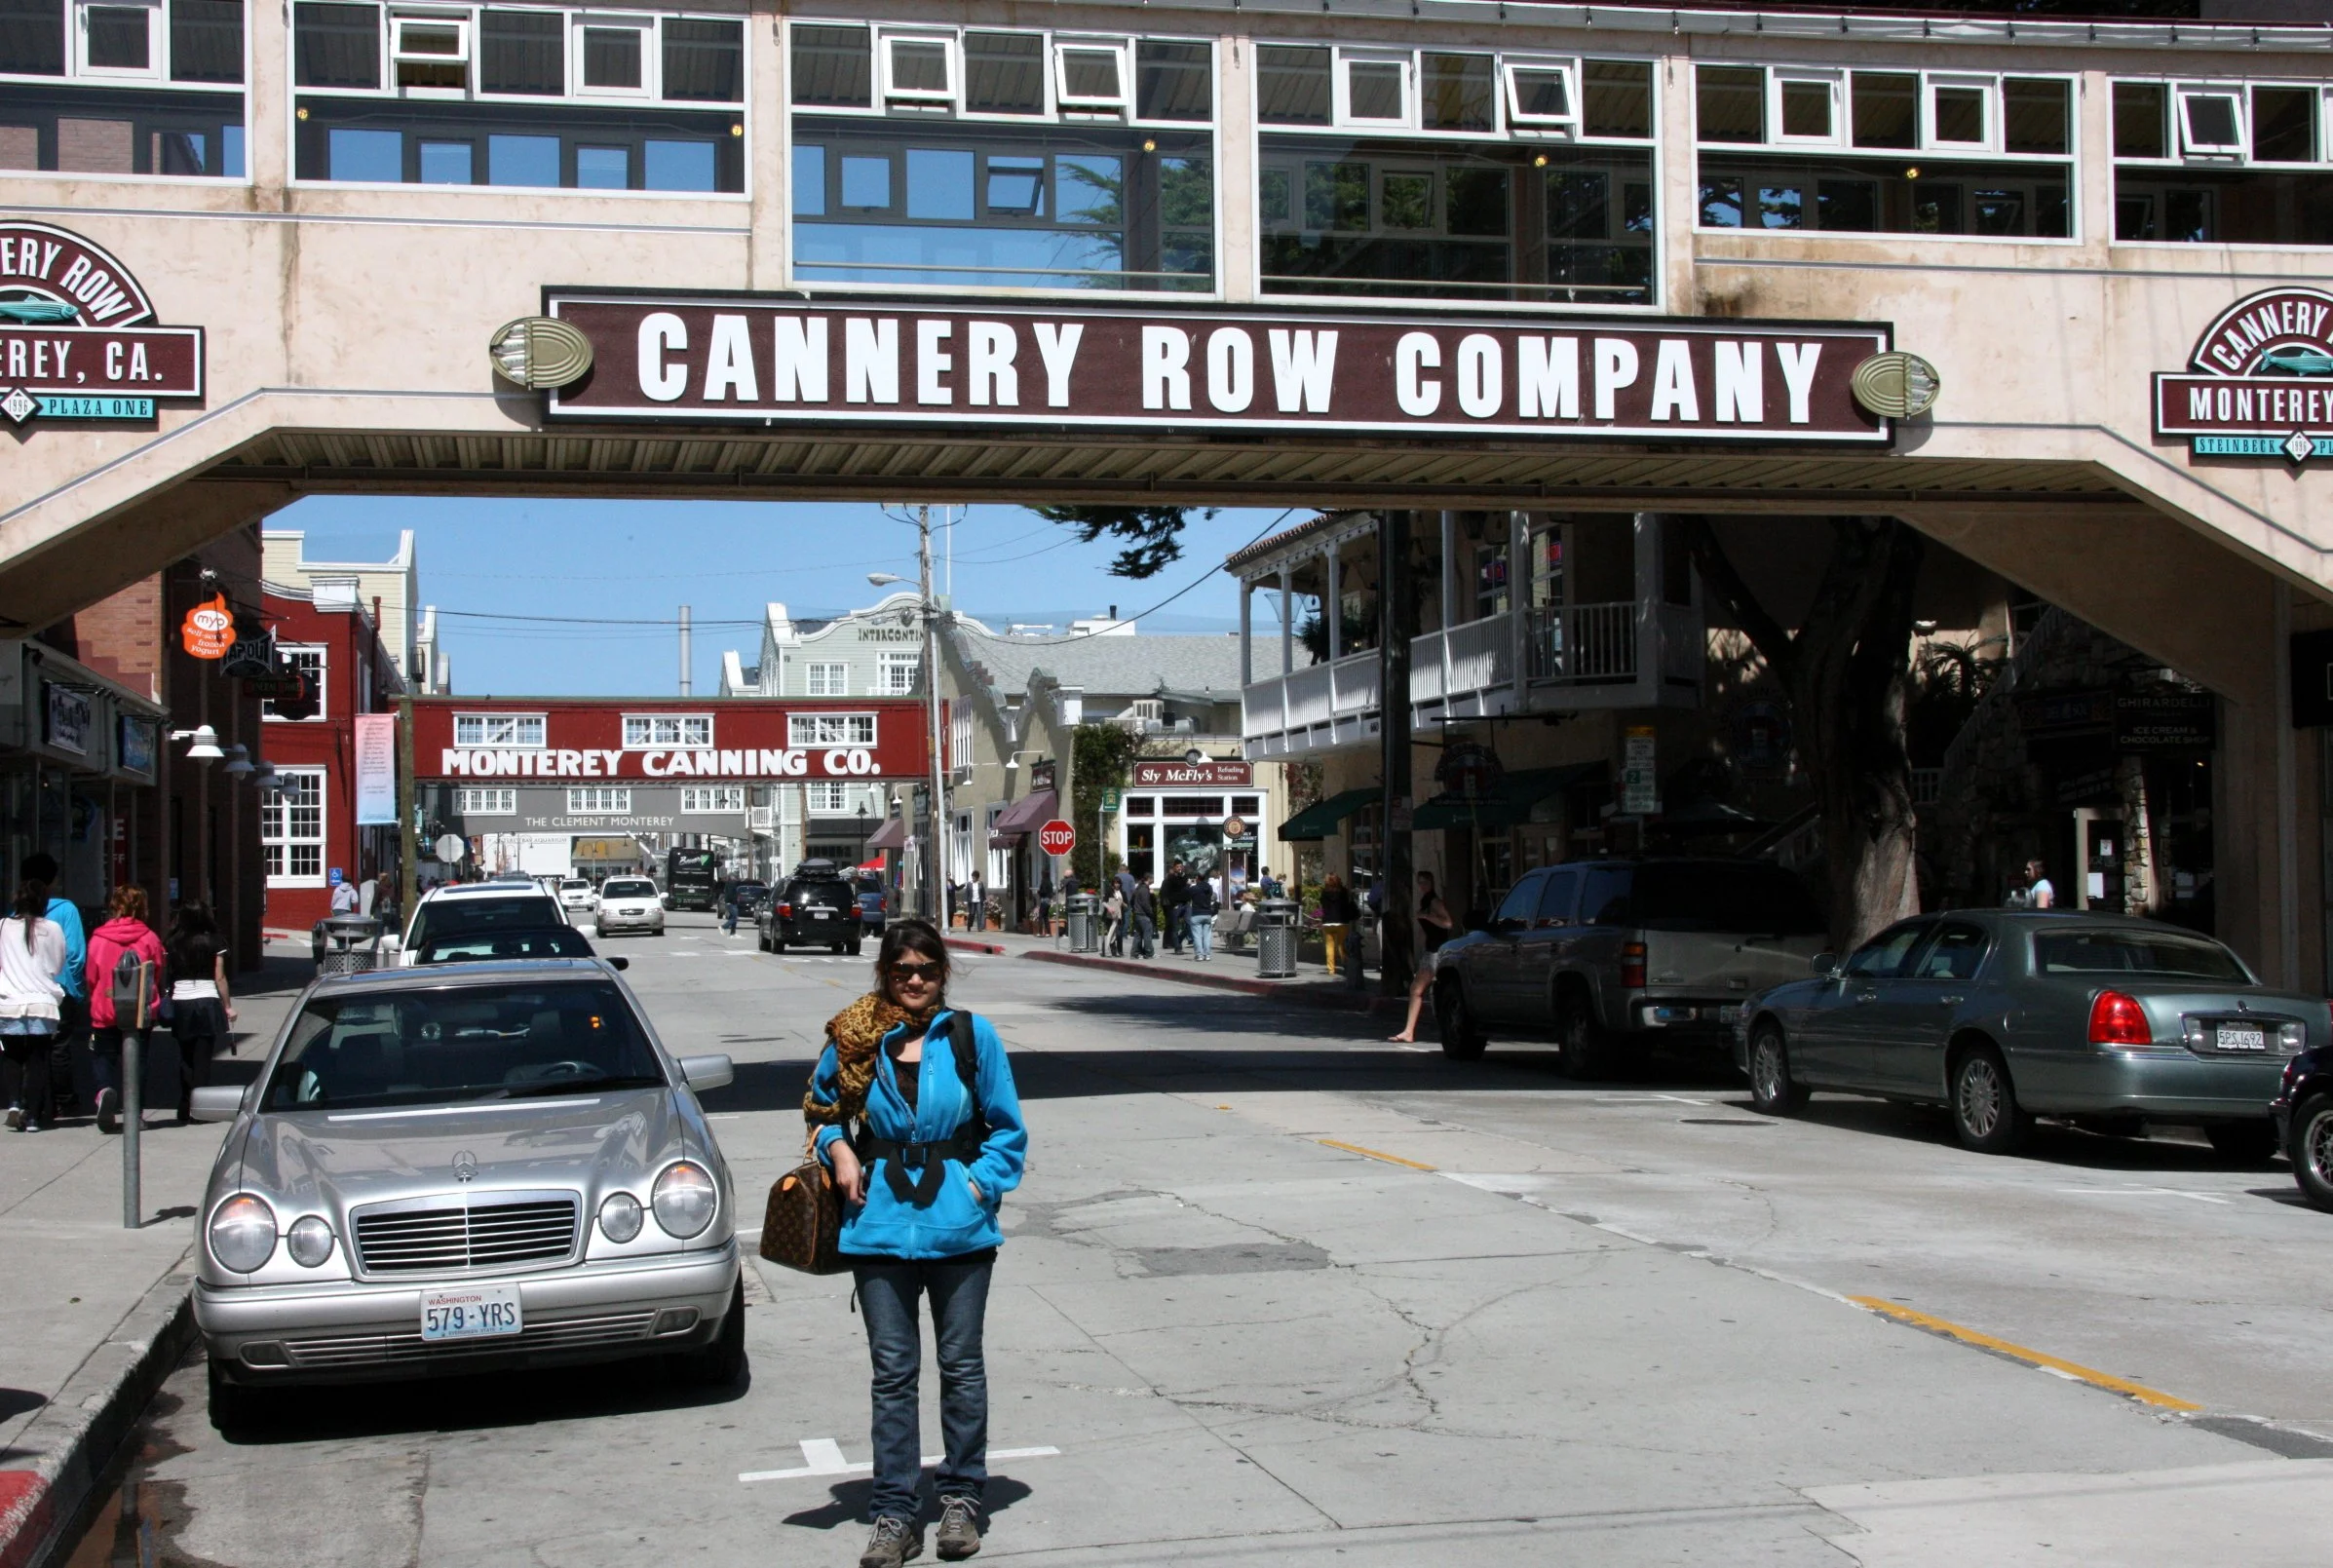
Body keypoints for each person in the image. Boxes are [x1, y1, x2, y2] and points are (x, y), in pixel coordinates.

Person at [804, 921, 1028, 1568]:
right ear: (884, 971)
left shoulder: (970, 1034)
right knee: (893, 1374)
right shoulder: (855, 1037)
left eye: (926, 966)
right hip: (876, 1227)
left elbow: (1007, 1129)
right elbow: (821, 1111)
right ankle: (894, 1511)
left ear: (941, 971)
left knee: (960, 1365)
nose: (914, 977)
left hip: (958, 1228)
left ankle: (961, 1497)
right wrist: (841, 1151)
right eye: (902, 967)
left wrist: (977, 1185)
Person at [86, 885, 166, 1135]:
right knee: (139, 1060)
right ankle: (136, 1111)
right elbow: (158, 971)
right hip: (140, 1008)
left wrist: (96, 996)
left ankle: (105, 1090)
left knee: (103, 1055)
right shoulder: (150, 937)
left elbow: (91, 976)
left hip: (106, 1006)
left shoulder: (99, 938)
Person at [20, 854, 86, 1122]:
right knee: (59, 1046)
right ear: (53, 880)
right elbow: (75, 954)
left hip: (25, 988)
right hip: (59, 988)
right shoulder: (66, 909)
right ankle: (64, 1101)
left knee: (33, 1048)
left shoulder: (15, 912)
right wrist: (76, 987)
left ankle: (34, 1102)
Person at [0, 879, 65, 1131]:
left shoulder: (3, 926)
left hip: (9, 1001)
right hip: (42, 1002)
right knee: (39, 1057)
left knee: (13, 1055)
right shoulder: (52, 928)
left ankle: (15, 1103)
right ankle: (34, 1116)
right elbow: (57, 965)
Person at [164, 901, 235, 1124]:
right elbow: (220, 978)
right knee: (203, 1058)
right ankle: (200, 1107)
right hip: (207, 1000)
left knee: (186, 1057)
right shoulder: (215, 941)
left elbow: (167, 975)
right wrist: (228, 1006)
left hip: (181, 1001)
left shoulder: (172, 942)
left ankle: (184, 1104)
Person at [1389, 871, 1456, 1044]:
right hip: (1430, 949)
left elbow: (1448, 923)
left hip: (1436, 951)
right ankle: (1409, 1031)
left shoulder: (1434, 901)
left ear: (1432, 883)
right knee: (1417, 990)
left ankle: (1409, 1031)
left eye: (1425, 882)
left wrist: (1427, 916)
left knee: (1416, 990)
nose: (1422, 885)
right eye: (1420, 882)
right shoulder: (1425, 900)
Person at [1318, 873, 1356, 976]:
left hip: (1328, 922)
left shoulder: (1324, 892)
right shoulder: (1343, 891)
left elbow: (1322, 904)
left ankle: (1331, 969)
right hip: (1341, 921)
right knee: (1342, 946)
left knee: (1329, 946)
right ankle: (1346, 966)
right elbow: (1347, 903)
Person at [1185, 873, 1219, 961]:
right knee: (1207, 936)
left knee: (1197, 936)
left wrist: (1188, 885)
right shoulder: (1209, 888)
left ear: (1197, 878)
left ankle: (1199, 955)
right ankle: (1207, 955)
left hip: (1196, 913)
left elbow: (1186, 895)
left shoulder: (1194, 889)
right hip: (1207, 914)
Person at [1161, 861, 1189, 954]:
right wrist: (1172, 904)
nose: (1179, 868)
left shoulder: (1184, 877)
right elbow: (1166, 893)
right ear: (1174, 868)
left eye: (1181, 866)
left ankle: (1178, 940)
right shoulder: (1170, 878)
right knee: (1173, 927)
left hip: (1185, 904)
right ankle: (1176, 947)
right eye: (1177, 867)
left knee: (1190, 924)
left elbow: (1185, 887)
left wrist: (1184, 877)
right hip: (1175, 905)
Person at [1128, 871, 1158, 960]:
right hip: (1144, 915)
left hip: (1137, 914)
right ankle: (1149, 953)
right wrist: (1151, 913)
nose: (1153, 880)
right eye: (1152, 878)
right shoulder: (1145, 890)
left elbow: (1132, 901)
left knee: (1138, 934)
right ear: (1148, 879)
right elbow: (1146, 904)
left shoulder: (1138, 888)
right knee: (1147, 934)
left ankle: (1134, 953)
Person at [1102, 882, 1126, 957]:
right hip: (1109, 916)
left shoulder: (1122, 892)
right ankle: (1107, 950)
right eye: (1115, 883)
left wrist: (1122, 903)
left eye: (1118, 883)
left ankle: (1113, 951)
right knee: (1110, 933)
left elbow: (1126, 905)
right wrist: (1109, 907)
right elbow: (1103, 902)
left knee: (1115, 934)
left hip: (1119, 915)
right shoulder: (1109, 891)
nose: (1117, 884)